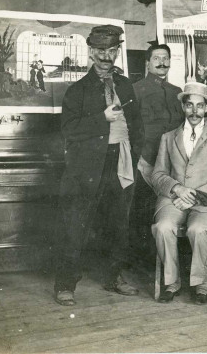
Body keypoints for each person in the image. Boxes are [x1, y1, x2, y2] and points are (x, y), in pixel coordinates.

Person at [54, 24, 144, 306]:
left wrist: (134, 154)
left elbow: (136, 124)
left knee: (118, 223)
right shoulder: (77, 90)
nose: (106, 56)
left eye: (111, 50)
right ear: (91, 52)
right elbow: (69, 130)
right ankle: (65, 284)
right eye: (100, 51)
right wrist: (101, 119)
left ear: (118, 51)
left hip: (122, 160)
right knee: (76, 225)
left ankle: (113, 277)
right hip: (89, 167)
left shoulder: (126, 84)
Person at [151, 82, 207, 304]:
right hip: (173, 198)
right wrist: (177, 188)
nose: (194, 111)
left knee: (198, 229)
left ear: (206, 108)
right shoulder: (168, 138)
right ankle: (172, 283)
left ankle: (201, 285)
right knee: (163, 227)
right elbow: (157, 175)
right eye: (189, 106)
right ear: (183, 108)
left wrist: (193, 195)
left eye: (199, 106)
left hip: (206, 200)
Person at [132, 43, 184, 252]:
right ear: (147, 63)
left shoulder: (177, 92)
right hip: (145, 160)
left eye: (165, 58)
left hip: (171, 160)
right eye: (156, 58)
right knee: (144, 209)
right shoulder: (136, 89)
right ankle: (143, 258)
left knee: (169, 205)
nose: (162, 62)